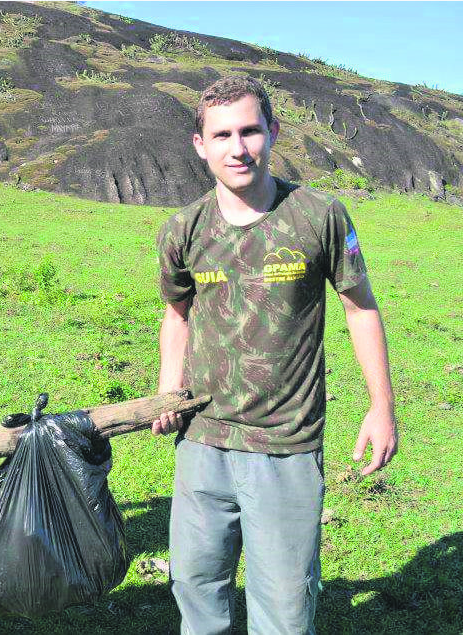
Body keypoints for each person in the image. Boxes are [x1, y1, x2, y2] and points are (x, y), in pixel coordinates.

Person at [152, 75, 398, 634]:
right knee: (195, 586)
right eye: (222, 135)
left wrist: (381, 407)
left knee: (284, 608)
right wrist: (168, 390)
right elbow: (177, 315)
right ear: (200, 145)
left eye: (250, 131)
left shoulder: (318, 215)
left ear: (273, 132)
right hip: (202, 439)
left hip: (286, 443)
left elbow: (361, 309)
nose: (238, 148)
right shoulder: (183, 229)